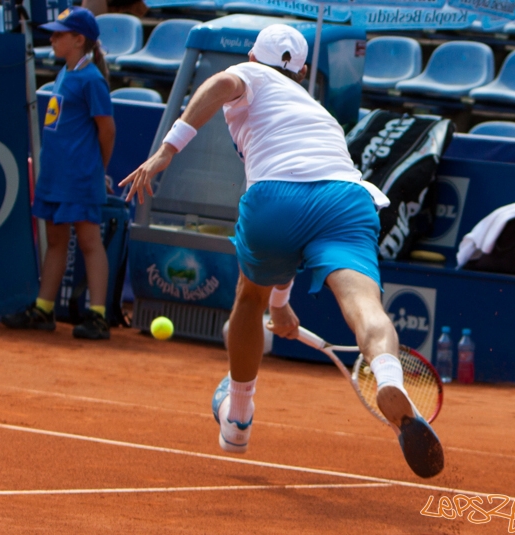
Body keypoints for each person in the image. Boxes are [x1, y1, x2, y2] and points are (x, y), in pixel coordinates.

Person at [120, 24, 444, 478]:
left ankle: (237, 419)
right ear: (304, 70)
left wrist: (167, 150)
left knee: (247, 300)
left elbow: (217, 85)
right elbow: (303, 224)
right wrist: (283, 305)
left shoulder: (249, 76)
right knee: (365, 305)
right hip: (346, 197)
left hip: (275, 197)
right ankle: (389, 378)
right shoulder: (319, 113)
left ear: (252, 58)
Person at [2, 7, 116, 340]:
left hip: (79, 177)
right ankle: (44, 308)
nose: (51, 39)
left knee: (88, 241)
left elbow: (106, 131)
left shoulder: (92, 79)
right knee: (55, 240)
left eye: (58, 34)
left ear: (79, 40)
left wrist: (98, 170)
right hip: (55, 175)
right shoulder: (65, 73)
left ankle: (97, 315)